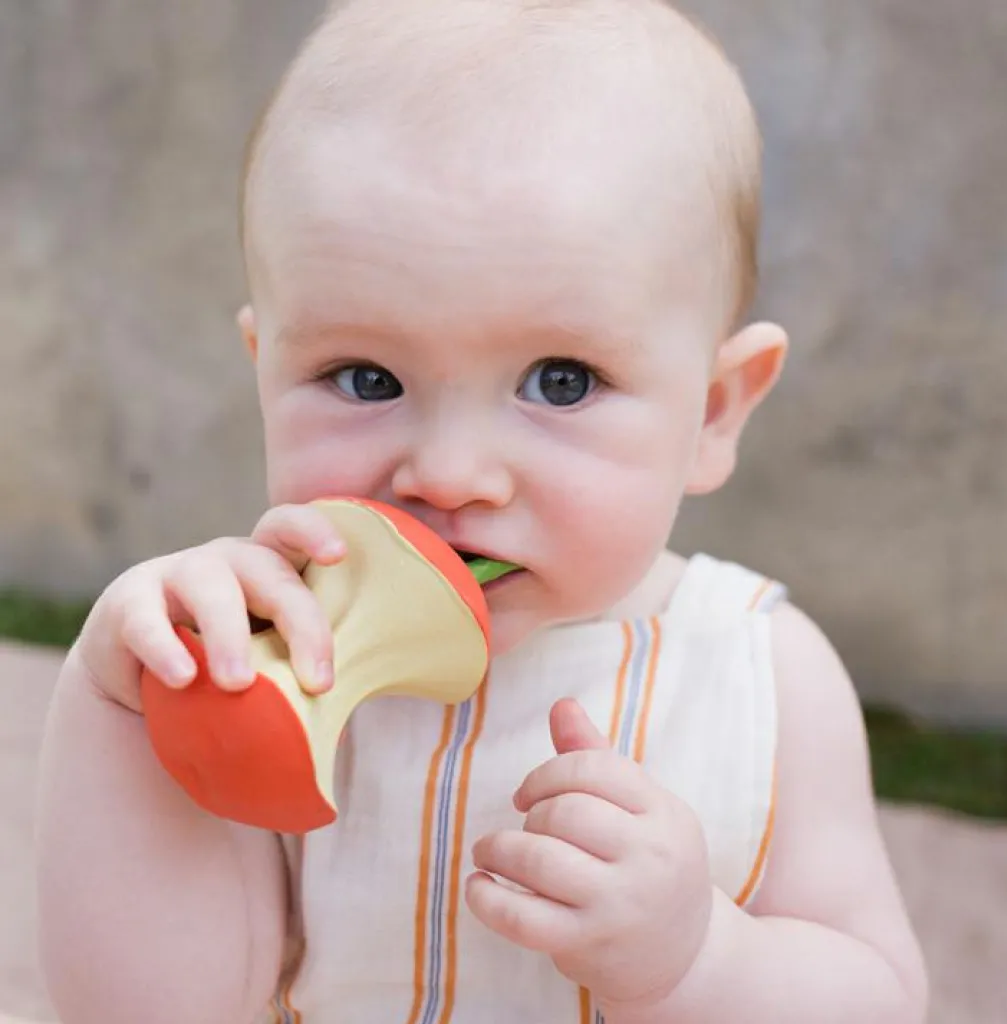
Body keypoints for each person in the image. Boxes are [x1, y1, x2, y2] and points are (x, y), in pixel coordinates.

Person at [35, 1, 928, 1021]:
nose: (451, 475)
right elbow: (149, 1007)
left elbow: (879, 999)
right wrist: (119, 710)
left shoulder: (760, 674)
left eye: (559, 380)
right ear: (263, 373)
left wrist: (695, 961)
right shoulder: (268, 654)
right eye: (364, 376)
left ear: (713, 411)